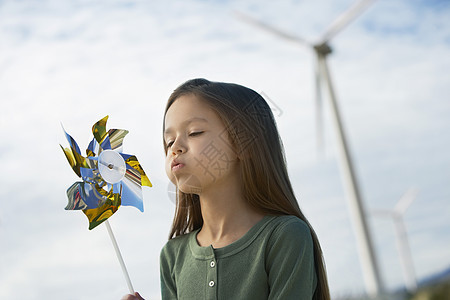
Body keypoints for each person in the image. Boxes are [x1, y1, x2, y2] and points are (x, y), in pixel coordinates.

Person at [122, 78, 330, 300]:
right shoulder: (172, 256)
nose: (175, 148)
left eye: (194, 132)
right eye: (169, 141)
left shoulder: (284, 236)